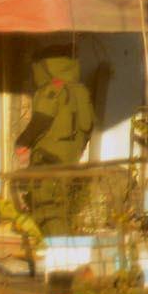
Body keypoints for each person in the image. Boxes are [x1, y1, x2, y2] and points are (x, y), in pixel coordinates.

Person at [16, 44, 97, 236]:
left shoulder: (53, 90)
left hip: (48, 159)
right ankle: (63, 247)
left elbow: (41, 120)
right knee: (61, 205)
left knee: (46, 207)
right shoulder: (80, 90)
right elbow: (89, 126)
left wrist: (22, 142)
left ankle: (56, 252)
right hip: (70, 158)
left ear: (44, 66)